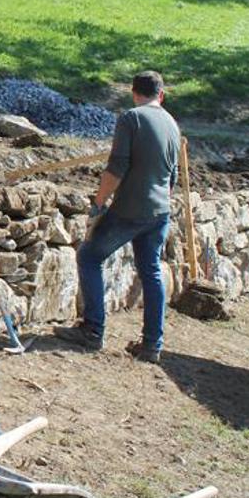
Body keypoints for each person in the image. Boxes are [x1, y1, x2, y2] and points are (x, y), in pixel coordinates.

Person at [55, 71, 181, 364]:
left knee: (89, 256)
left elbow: (117, 167)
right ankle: (152, 345)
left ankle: (92, 330)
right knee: (151, 271)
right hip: (160, 210)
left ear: (133, 92)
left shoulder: (131, 119)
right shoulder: (172, 124)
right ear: (160, 95)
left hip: (130, 210)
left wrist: (99, 203)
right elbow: (172, 176)